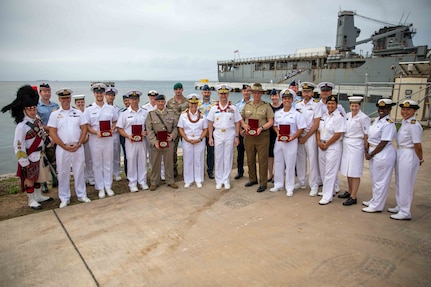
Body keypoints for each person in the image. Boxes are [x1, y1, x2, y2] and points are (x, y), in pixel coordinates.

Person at [1, 85, 53, 209]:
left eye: (34, 108)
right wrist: (24, 162)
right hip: (29, 157)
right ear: (25, 110)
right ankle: (31, 200)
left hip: (40, 155)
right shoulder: (22, 126)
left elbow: (42, 135)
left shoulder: (38, 121)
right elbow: (18, 146)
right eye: (30, 109)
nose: (33, 111)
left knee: (38, 177)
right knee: (29, 179)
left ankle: (38, 196)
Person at [48, 89, 90, 208]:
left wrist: (79, 143)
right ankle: (64, 198)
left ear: (70, 98)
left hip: (77, 146)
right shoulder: (55, 114)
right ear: (59, 99)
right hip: (62, 148)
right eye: (63, 98)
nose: (65, 100)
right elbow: (52, 132)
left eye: (67, 98)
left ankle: (81, 195)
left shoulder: (78, 112)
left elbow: (84, 129)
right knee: (63, 173)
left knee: (79, 171)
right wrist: (63, 146)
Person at [389, 99, 424, 220]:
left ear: (414, 111)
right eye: (403, 109)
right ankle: (400, 205)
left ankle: (405, 211)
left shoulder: (414, 125)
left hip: (409, 153)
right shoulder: (405, 122)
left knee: (406, 183)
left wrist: (420, 158)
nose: (405, 112)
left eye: (408, 110)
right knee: (399, 181)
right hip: (401, 152)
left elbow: (417, 145)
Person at [84, 83, 118, 199]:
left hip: (108, 139)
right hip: (95, 139)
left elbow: (115, 121)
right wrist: (95, 132)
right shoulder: (89, 109)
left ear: (104, 93)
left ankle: (108, 186)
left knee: (108, 162)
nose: (99, 94)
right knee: (97, 164)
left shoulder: (110, 108)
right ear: (94, 94)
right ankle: (100, 188)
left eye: (101, 92)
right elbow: (87, 125)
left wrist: (113, 128)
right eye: (97, 92)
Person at [362, 99, 397, 213]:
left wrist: (371, 154)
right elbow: (369, 136)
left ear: (389, 109)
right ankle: (374, 200)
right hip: (373, 152)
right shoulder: (377, 120)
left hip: (383, 154)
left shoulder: (388, 123)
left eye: (385, 108)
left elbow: (383, 142)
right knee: (375, 179)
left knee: (381, 181)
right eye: (380, 108)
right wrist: (367, 150)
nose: (381, 110)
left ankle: (377, 205)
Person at [270, 89, 306, 196]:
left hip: (291, 142)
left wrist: (293, 137)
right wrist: (278, 133)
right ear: (282, 100)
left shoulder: (297, 114)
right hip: (279, 141)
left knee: (290, 164)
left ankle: (289, 187)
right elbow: (275, 125)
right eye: (285, 98)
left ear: (292, 100)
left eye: (289, 99)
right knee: (278, 162)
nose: (287, 100)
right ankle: (278, 184)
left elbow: (301, 128)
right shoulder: (278, 113)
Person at [207, 84, 242, 190]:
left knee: (228, 157)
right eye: (221, 93)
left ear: (228, 94)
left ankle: (226, 179)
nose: (223, 95)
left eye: (225, 93)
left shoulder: (233, 108)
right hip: (217, 133)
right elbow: (210, 123)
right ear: (218, 94)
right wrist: (210, 137)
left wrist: (237, 136)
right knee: (218, 157)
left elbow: (237, 123)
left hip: (229, 133)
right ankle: (218, 180)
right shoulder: (213, 108)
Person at [242, 83, 274, 193]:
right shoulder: (247, 105)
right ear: (251, 93)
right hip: (249, 136)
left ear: (261, 94)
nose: (256, 95)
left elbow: (271, 121)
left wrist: (262, 128)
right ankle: (252, 179)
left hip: (262, 136)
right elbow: (240, 118)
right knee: (250, 159)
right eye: (254, 93)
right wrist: (244, 125)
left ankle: (263, 183)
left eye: (258, 93)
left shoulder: (266, 106)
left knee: (262, 160)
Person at [339, 96, 371, 206]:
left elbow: (366, 134)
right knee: (348, 170)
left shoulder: (364, 118)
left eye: (356, 106)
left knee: (355, 171)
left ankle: (353, 196)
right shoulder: (347, 116)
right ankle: (349, 190)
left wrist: (366, 149)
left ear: (359, 106)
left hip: (357, 145)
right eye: (352, 106)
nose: (354, 108)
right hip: (347, 144)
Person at [116, 90, 149, 192]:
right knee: (131, 161)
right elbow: (119, 128)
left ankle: (142, 181)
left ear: (139, 100)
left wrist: (146, 132)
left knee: (142, 160)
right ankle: (132, 183)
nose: (134, 101)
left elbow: (149, 126)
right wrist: (127, 136)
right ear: (129, 100)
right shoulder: (124, 114)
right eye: (132, 99)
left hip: (142, 141)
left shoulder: (145, 112)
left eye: (136, 99)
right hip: (130, 141)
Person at [316, 95, 346, 205]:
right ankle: (329, 190)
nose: (330, 106)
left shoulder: (339, 117)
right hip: (322, 145)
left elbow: (338, 134)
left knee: (330, 172)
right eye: (328, 104)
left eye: (333, 104)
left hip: (333, 146)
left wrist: (327, 144)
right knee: (323, 170)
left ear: (336, 105)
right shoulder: (324, 116)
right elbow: (318, 130)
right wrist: (319, 142)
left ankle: (327, 196)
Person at [145, 94, 179, 191]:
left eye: (162, 101)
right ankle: (154, 182)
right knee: (155, 162)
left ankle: (170, 180)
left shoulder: (171, 113)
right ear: (155, 102)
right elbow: (149, 129)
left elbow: (176, 127)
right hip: (157, 142)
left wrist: (172, 136)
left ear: (164, 102)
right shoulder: (151, 114)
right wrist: (154, 141)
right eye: (158, 101)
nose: (160, 103)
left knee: (169, 162)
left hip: (168, 141)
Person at [295, 82, 322, 196]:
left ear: (312, 93)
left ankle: (314, 185)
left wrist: (306, 137)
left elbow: (316, 124)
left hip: (310, 136)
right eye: (304, 92)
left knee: (312, 161)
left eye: (308, 92)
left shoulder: (317, 105)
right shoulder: (298, 104)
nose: (306, 94)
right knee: (300, 160)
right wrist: (298, 135)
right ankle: (301, 182)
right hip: (300, 136)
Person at [178, 93, 208, 188]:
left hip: (199, 140)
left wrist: (199, 139)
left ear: (197, 104)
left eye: (195, 104)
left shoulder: (202, 116)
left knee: (198, 159)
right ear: (188, 103)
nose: (193, 105)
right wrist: (186, 139)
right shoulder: (183, 116)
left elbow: (205, 129)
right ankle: (188, 180)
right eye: (192, 103)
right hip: (187, 140)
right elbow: (180, 128)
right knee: (188, 160)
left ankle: (198, 179)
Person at [36, 83, 59, 192]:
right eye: (44, 91)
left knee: (54, 159)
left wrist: (54, 135)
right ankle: (44, 183)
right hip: (42, 136)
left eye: (48, 91)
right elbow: (38, 122)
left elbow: (59, 121)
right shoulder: (37, 107)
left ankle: (55, 179)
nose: (47, 93)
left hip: (54, 137)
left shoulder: (55, 106)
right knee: (43, 161)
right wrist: (50, 130)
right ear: (40, 93)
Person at [166, 82, 189, 178]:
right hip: (174, 129)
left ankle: (187, 170)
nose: (178, 91)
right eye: (176, 89)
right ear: (174, 90)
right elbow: (167, 116)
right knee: (172, 150)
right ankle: (173, 170)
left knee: (187, 150)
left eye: (179, 89)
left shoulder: (187, 102)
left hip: (185, 129)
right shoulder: (170, 102)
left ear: (182, 90)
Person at [73, 94, 95, 186]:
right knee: (79, 161)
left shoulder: (88, 111)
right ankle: (82, 178)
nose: (80, 104)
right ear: (75, 103)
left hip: (88, 138)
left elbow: (89, 125)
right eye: (78, 102)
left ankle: (90, 177)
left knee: (89, 159)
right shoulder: (73, 113)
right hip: (78, 140)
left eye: (82, 102)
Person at [234, 84, 251, 180]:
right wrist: (240, 130)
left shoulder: (254, 104)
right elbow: (236, 120)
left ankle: (251, 173)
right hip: (240, 132)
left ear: (250, 92)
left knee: (251, 154)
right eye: (244, 91)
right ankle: (240, 171)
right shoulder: (237, 105)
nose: (246, 93)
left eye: (248, 91)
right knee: (240, 153)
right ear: (242, 92)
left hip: (251, 132)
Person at [105, 87, 122, 181]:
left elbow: (119, 121)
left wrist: (113, 128)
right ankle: (107, 173)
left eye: (112, 95)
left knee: (116, 154)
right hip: (104, 135)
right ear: (105, 96)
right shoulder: (102, 108)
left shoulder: (118, 109)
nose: (110, 97)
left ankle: (116, 173)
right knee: (105, 155)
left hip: (114, 134)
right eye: (108, 95)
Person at [199, 84, 215, 179]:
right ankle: (200, 171)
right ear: (202, 93)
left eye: (208, 92)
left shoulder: (214, 104)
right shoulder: (197, 104)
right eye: (205, 92)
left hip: (211, 132)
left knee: (211, 152)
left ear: (210, 93)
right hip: (200, 132)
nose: (206, 94)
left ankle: (210, 170)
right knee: (200, 152)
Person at [268, 88, 283, 182]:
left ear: (279, 96)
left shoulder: (283, 106)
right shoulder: (268, 106)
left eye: (276, 95)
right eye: (273, 96)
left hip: (280, 133)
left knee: (279, 155)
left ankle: (277, 174)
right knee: (269, 155)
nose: (274, 97)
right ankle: (270, 174)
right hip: (269, 133)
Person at [119, 94, 130, 177]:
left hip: (137, 137)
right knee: (127, 155)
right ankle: (128, 174)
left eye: (128, 100)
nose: (127, 102)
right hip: (124, 136)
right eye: (125, 101)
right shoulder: (121, 112)